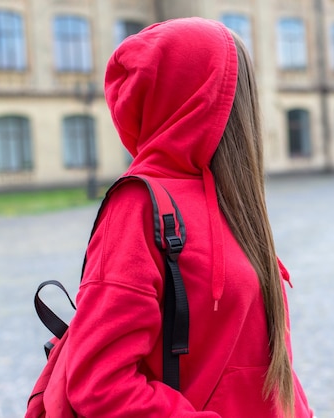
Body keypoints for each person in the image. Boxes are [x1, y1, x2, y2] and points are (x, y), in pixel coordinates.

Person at [63, 17, 313, 417]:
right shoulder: (137, 207)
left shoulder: (232, 200)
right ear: (198, 97)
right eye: (237, 88)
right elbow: (99, 382)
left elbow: (261, 361)